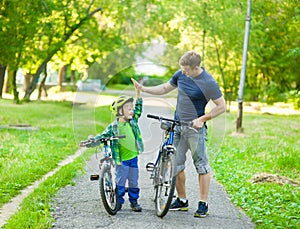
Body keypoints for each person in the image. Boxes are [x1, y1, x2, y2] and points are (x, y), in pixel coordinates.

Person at [132, 50, 226, 218]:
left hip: (195, 130)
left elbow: (221, 106)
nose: (183, 72)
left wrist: (203, 119)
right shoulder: (180, 75)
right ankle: (182, 200)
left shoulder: (208, 82)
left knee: (201, 166)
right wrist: (143, 88)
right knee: (176, 164)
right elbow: (164, 88)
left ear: (196, 67)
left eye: (186, 69)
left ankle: (203, 204)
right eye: (181, 68)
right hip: (177, 126)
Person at [93, 82, 144, 212]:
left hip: (133, 157)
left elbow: (138, 108)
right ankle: (119, 201)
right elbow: (102, 136)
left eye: (132, 108)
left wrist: (138, 93)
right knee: (120, 182)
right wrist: (92, 141)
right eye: (129, 109)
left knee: (133, 181)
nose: (132, 111)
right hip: (121, 160)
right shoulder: (113, 127)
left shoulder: (133, 121)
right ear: (120, 111)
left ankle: (134, 201)